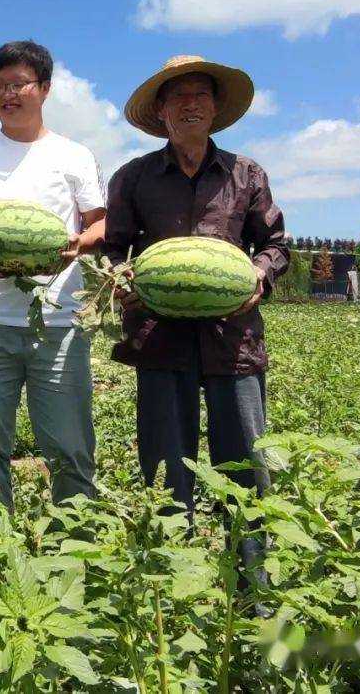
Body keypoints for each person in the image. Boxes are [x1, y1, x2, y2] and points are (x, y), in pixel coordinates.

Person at [105, 55, 289, 575]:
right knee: (166, 466)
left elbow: (274, 244)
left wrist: (258, 274)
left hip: (233, 340)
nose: (190, 104)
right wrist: (123, 281)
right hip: (159, 338)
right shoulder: (133, 178)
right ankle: (175, 580)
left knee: (246, 466)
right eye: (178, 95)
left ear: (215, 108)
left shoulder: (246, 174)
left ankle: (253, 582)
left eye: (200, 95)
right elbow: (114, 248)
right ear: (161, 110)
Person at [0, 40, 106, 510]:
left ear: (44, 89)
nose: (7, 94)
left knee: (69, 447)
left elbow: (100, 222)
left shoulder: (75, 156)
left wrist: (77, 245)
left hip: (59, 322)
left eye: (18, 84)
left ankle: (76, 543)